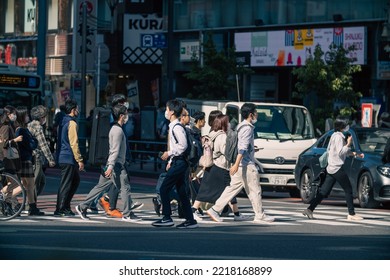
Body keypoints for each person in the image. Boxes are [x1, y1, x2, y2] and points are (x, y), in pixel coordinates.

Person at [207, 103, 275, 224]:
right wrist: (237, 163)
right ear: (251, 114)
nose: (257, 115)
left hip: (240, 164)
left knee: (232, 189)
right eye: (256, 112)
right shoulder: (247, 128)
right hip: (245, 165)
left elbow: (242, 146)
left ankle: (214, 209)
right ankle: (259, 215)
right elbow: (242, 148)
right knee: (255, 190)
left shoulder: (240, 126)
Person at [76, 104, 141, 222]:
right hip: (116, 165)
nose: (127, 116)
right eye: (126, 114)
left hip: (112, 164)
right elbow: (114, 151)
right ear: (121, 116)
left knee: (100, 187)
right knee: (125, 188)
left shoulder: (115, 129)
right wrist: (111, 166)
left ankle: (82, 207)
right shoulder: (118, 130)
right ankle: (127, 214)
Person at [192, 114, 251, 222]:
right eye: (227, 122)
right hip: (220, 167)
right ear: (223, 123)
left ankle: (237, 214)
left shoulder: (213, 133)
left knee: (228, 190)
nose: (229, 124)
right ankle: (194, 211)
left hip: (215, 165)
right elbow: (226, 152)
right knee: (210, 191)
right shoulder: (222, 136)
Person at [303, 118, 364, 221]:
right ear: (341, 127)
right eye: (346, 125)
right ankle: (351, 214)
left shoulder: (334, 135)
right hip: (337, 168)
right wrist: (349, 143)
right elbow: (341, 152)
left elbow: (339, 152)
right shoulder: (339, 138)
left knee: (324, 192)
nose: (347, 126)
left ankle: (309, 209)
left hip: (331, 168)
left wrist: (354, 154)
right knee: (348, 190)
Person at [152, 99, 198, 229]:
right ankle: (190, 220)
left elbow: (182, 146)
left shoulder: (176, 127)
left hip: (180, 162)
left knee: (164, 189)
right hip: (178, 162)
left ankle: (167, 217)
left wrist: (169, 153)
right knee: (182, 192)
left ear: (172, 112)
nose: (165, 112)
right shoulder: (175, 126)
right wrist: (171, 160)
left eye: (166, 110)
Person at [55, 99, 84, 217]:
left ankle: (65, 206)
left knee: (75, 181)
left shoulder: (62, 121)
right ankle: (60, 208)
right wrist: (80, 159)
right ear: (73, 110)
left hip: (63, 155)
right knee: (66, 184)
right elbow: (74, 143)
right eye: (77, 108)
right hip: (68, 157)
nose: (78, 111)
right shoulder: (72, 123)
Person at [14, 106, 44, 216]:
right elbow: (31, 145)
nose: (28, 117)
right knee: (27, 185)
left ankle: (32, 207)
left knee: (28, 185)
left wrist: (32, 141)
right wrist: (34, 140)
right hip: (25, 159)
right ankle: (6, 196)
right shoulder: (21, 130)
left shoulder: (21, 129)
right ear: (22, 117)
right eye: (26, 115)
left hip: (25, 159)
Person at [28, 105, 56, 197]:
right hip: (36, 157)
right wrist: (50, 159)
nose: (45, 119)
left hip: (31, 156)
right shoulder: (38, 127)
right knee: (35, 182)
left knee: (41, 181)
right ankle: (30, 204)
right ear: (41, 117)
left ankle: (31, 202)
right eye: (44, 117)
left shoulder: (30, 124)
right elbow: (43, 145)